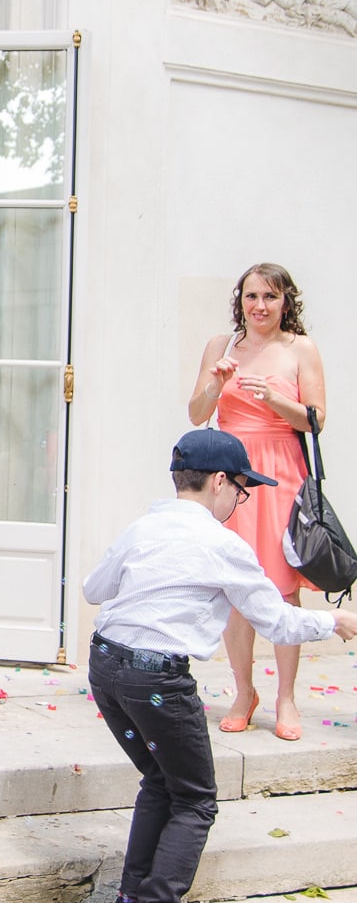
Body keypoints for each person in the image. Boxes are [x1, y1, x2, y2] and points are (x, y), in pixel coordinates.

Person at [84, 428, 357, 903]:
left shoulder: (145, 527)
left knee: (161, 783)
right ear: (218, 482)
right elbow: (275, 619)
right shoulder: (222, 544)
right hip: (157, 680)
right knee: (195, 799)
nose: (241, 500)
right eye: (242, 489)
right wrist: (335, 621)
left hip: (107, 666)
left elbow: (95, 590)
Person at [188, 263, 325, 741]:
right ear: (240, 300)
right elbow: (197, 412)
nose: (260, 306)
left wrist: (274, 400)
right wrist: (215, 383)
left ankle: (287, 697)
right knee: (234, 589)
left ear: (285, 301)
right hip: (232, 478)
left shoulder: (299, 349)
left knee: (284, 589)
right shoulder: (219, 346)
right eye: (251, 296)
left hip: (283, 474)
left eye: (270, 296)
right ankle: (244, 691)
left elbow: (314, 419)